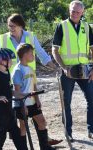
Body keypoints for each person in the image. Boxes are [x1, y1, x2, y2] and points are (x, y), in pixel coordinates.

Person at [0, 13, 62, 145]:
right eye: (9, 26)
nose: (11, 28)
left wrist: (54, 66)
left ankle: (44, 143)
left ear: (21, 26)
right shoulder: (2, 39)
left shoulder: (30, 36)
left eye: (13, 26)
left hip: (30, 81)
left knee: (36, 116)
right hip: (13, 84)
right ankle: (22, 145)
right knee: (20, 120)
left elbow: (41, 54)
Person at [52, 0, 93, 142]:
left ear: (82, 12)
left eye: (77, 11)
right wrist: (64, 67)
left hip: (85, 70)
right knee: (66, 103)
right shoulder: (61, 26)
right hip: (68, 72)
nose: (75, 13)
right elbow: (55, 50)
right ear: (69, 11)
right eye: (72, 11)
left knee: (92, 99)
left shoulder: (87, 27)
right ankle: (68, 132)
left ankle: (91, 130)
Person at [12, 43, 56, 150]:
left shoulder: (31, 69)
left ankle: (45, 146)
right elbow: (16, 90)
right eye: (31, 53)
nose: (33, 55)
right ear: (25, 55)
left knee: (42, 122)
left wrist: (37, 99)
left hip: (32, 102)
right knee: (23, 128)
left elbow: (34, 85)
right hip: (21, 104)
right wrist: (23, 105)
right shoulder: (17, 70)